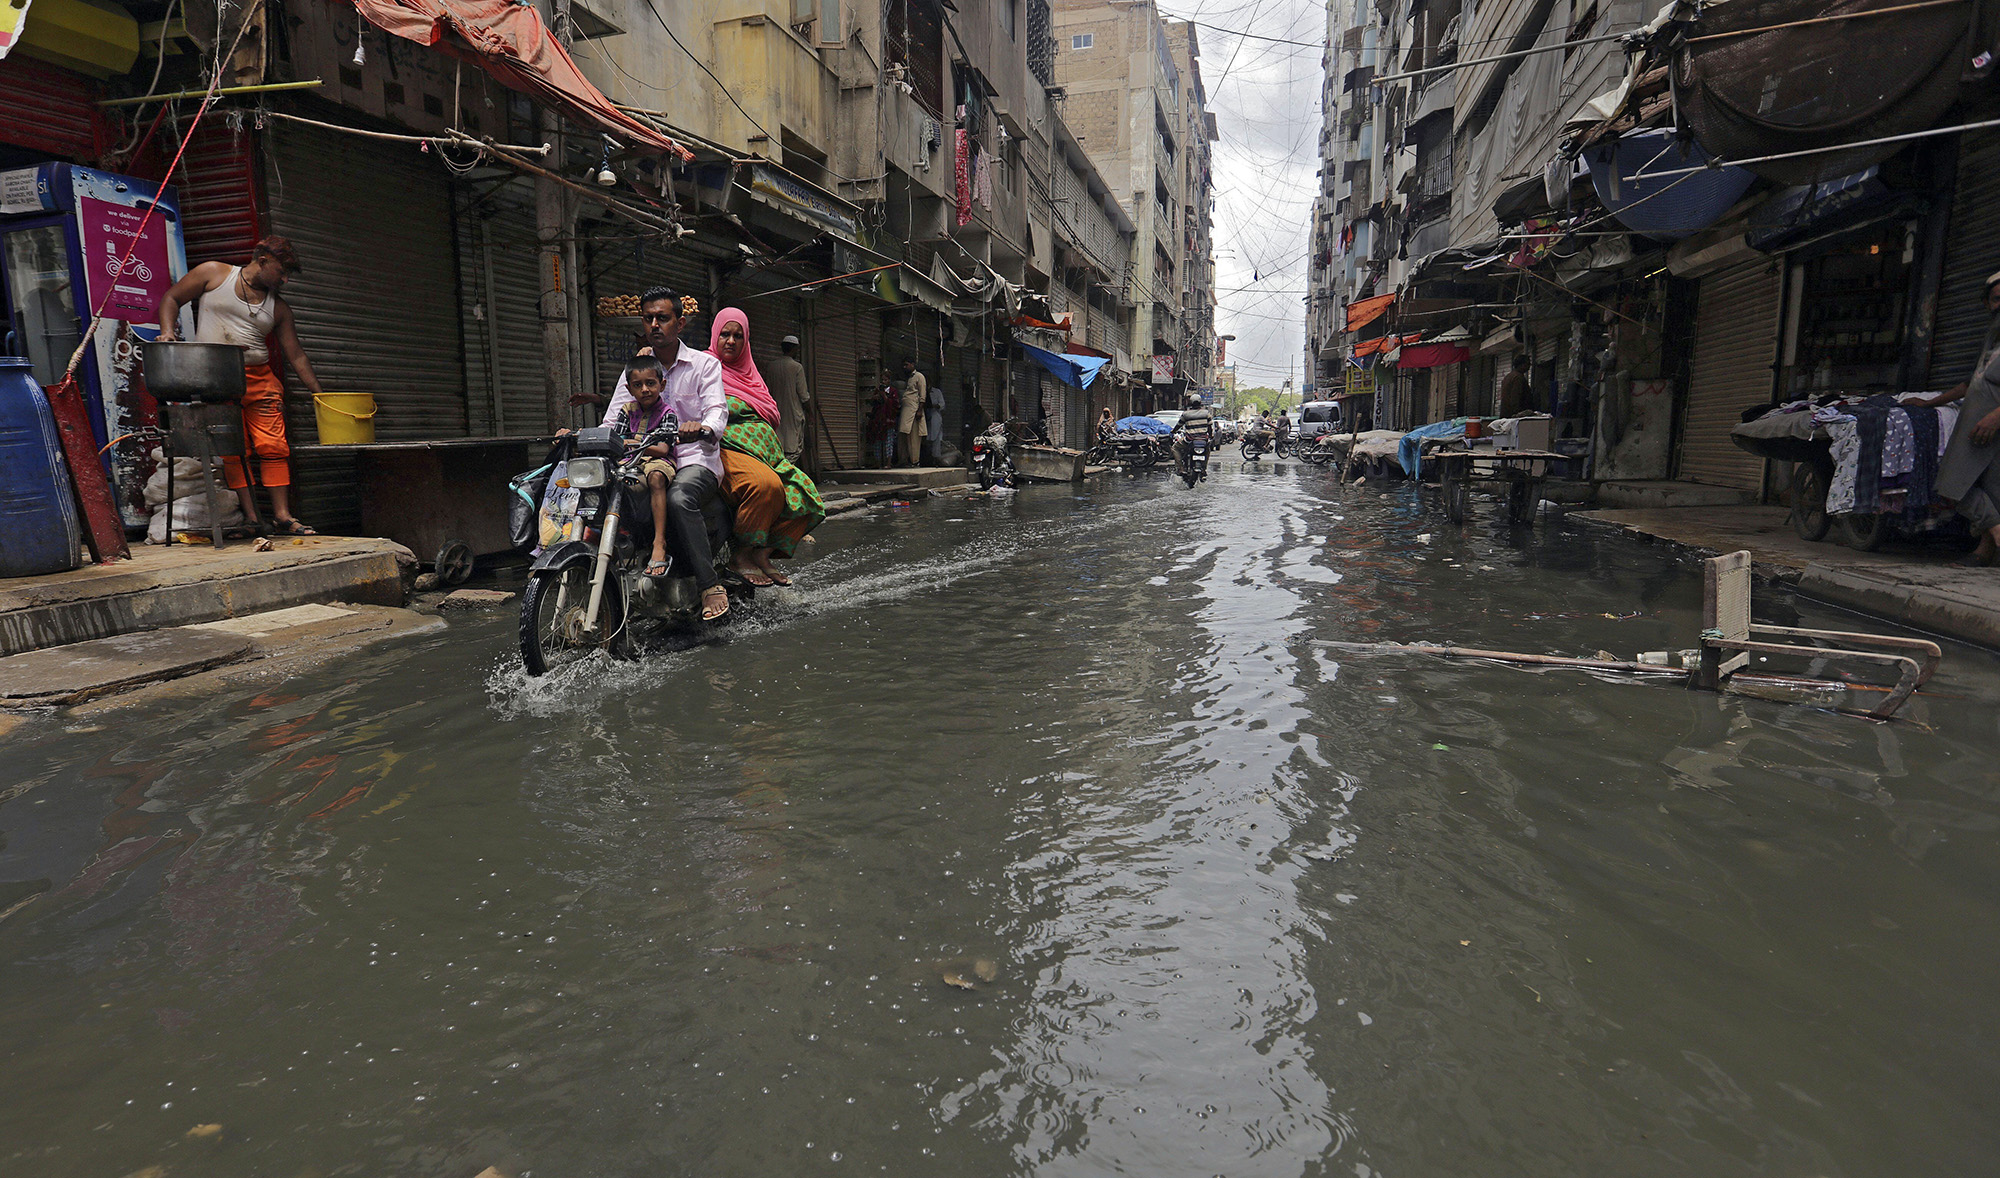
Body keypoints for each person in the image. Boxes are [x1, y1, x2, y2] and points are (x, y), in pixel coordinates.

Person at [155, 236, 325, 535]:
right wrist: (168, 332)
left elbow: (296, 355)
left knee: (274, 447)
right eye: (281, 272)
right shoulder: (214, 273)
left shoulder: (279, 308)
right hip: (215, 380)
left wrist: (321, 396)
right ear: (262, 261)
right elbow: (171, 298)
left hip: (260, 380)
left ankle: (283, 516)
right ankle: (251, 518)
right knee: (235, 451)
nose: (284, 280)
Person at [601, 288, 732, 621]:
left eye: (663, 318)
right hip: (642, 458)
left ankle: (708, 584)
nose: (655, 324)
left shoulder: (704, 364)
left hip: (693, 458)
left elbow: (717, 409)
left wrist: (702, 426)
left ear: (680, 322)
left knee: (678, 497)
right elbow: (613, 415)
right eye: (649, 319)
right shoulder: (637, 368)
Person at [708, 308, 826, 586]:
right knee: (766, 486)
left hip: (766, 453)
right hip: (729, 450)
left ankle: (761, 553)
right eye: (725, 334)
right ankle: (741, 555)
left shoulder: (752, 373)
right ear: (715, 335)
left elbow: (769, 410)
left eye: (738, 336)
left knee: (807, 497)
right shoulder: (704, 367)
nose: (731, 341)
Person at [1926, 271, 2000, 565]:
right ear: (1986, 303)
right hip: (1977, 428)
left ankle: (1992, 539)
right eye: (1997, 299)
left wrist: (1996, 416)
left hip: (1993, 424)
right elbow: (1971, 384)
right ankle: (1993, 537)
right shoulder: (1992, 338)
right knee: (1956, 485)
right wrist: (1929, 402)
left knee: (1959, 486)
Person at [608, 355, 677, 579]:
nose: (645, 389)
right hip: (629, 462)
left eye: (651, 383)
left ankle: (659, 541)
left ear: (662, 385)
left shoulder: (667, 413)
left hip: (657, 461)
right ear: (629, 388)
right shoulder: (626, 410)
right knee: (606, 478)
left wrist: (632, 443)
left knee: (656, 478)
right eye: (638, 385)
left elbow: (663, 449)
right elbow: (616, 440)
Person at [768, 333, 813, 466]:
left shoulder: (772, 366)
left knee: (779, 445)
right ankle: (784, 471)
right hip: (793, 414)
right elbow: (804, 395)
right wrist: (810, 413)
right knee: (794, 448)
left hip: (775, 414)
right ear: (794, 349)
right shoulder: (796, 367)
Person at [1171, 392, 1213, 473]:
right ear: (1200, 402)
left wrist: (1173, 431)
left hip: (1189, 439)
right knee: (1207, 451)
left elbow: (1178, 425)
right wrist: (1210, 436)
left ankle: (1181, 468)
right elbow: (1210, 427)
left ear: (1190, 403)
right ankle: (1204, 469)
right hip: (1203, 439)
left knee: (1175, 448)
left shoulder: (1186, 414)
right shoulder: (1206, 413)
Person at [897, 358, 927, 467]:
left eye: (906, 365)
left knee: (913, 438)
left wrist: (920, 410)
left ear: (912, 364)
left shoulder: (919, 377)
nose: (905, 367)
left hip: (914, 411)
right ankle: (903, 460)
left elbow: (922, 395)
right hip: (906, 412)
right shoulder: (908, 378)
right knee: (903, 436)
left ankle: (915, 461)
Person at [925, 370, 945, 465]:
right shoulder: (921, 392)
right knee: (925, 439)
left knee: (935, 439)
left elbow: (942, 405)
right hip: (924, 417)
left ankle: (935, 459)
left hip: (935, 417)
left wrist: (934, 406)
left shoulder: (936, 392)